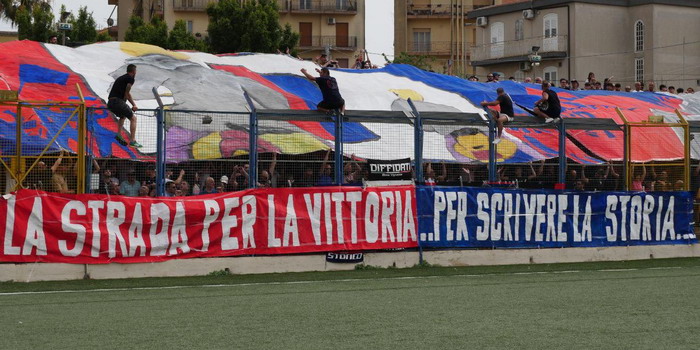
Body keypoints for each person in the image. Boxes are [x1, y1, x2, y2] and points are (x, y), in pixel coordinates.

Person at [108, 64, 141, 147]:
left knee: (123, 116)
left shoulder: (121, 78)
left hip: (110, 102)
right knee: (133, 118)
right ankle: (133, 140)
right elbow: (127, 93)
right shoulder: (130, 78)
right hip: (118, 101)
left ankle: (119, 134)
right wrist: (133, 105)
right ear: (134, 71)